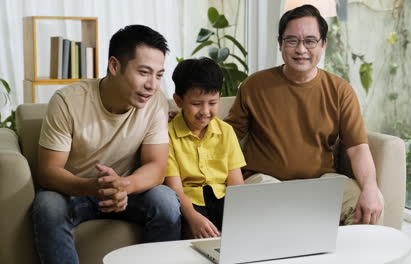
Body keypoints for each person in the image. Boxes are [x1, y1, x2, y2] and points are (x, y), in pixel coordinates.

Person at [32, 25, 181, 264]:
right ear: (114, 66)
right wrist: (94, 187)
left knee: (164, 200)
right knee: (48, 205)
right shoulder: (67, 101)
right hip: (76, 191)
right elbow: (48, 172)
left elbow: (157, 166)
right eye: (144, 72)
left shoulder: (155, 103)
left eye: (159, 75)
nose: (152, 85)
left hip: (128, 191)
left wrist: (124, 185)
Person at [224, 4, 384, 225]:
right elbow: (226, 135)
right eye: (292, 40)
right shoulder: (254, 85)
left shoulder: (340, 90)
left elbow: (357, 149)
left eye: (310, 41)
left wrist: (370, 187)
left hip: (321, 183)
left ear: (323, 44)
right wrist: (190, 123)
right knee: (263, 199)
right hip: (265, 182)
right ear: (280, 44)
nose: (301, 49)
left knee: (366, 201)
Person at [164, 58, 246, 239]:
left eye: (213, 102)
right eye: (196, 104)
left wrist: (240, 219)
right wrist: (194, 218)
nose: (205, 111)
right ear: (179, 100)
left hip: (223, 201)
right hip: (188, 202)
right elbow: (175, 189)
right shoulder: (167, 135)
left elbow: (236, 185)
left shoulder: (226, 132)